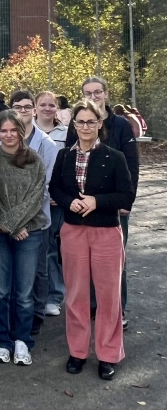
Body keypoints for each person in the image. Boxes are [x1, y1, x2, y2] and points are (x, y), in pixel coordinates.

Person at [50, 100, 134, 380]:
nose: (85, 127)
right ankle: (78, 351)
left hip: (106, 233)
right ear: (74, 125)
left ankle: (108, 354)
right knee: (76, 295)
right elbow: (56, 189)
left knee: (109, 297)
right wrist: (69, 202)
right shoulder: (64, 156)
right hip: (73, 231)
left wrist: (97, 201)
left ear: (100, 124)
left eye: (90, 121)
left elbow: (126, 196)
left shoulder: (115, 157)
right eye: (80, 122)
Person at [65, 76, 139, 328]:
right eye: (88, 92)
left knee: (115, 262)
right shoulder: (75, 125)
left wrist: (126, 202)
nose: (93, 96)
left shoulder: (121, 125)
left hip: (112, 205)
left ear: (106, 94)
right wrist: (74, 200)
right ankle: (92, 308)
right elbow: (68, 164)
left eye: (98, 92)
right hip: (82, 205)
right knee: (85, 263)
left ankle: (118, 308)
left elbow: (132, 166)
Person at [0, 111, 47, 366]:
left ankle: (22, 340)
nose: (8, 135)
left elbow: (36, 197)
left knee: (23, 292)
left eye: (13, 130)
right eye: (3, 131)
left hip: (30, 233)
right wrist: (10, 225)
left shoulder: (35, 160)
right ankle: (2, 340)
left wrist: (17, 225)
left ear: (21, 132)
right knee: (1, 291)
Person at [8, 90, 59, 337]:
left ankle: (36, 315)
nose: (23, 110)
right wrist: (11, 218)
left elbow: (46, 185)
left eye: (28, 107)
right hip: (6, 221)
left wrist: (23, 217)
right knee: (12, 269)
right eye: (18, 106)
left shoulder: (47, 145)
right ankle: (13, 314)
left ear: (34, 110)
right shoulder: (0, 141)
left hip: (37, 220)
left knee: (38, 270)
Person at [33, 91, 68, 318]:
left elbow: (69, 165)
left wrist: (59, 193)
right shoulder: (27, 131)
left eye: (51, 105)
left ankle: (54, 296)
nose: (47, 108)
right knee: (35, 251)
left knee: (53, 251)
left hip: (56, 200)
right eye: (43, 104)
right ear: (36, 107)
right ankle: (36, 296)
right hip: (34, 201)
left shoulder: (66, 133)